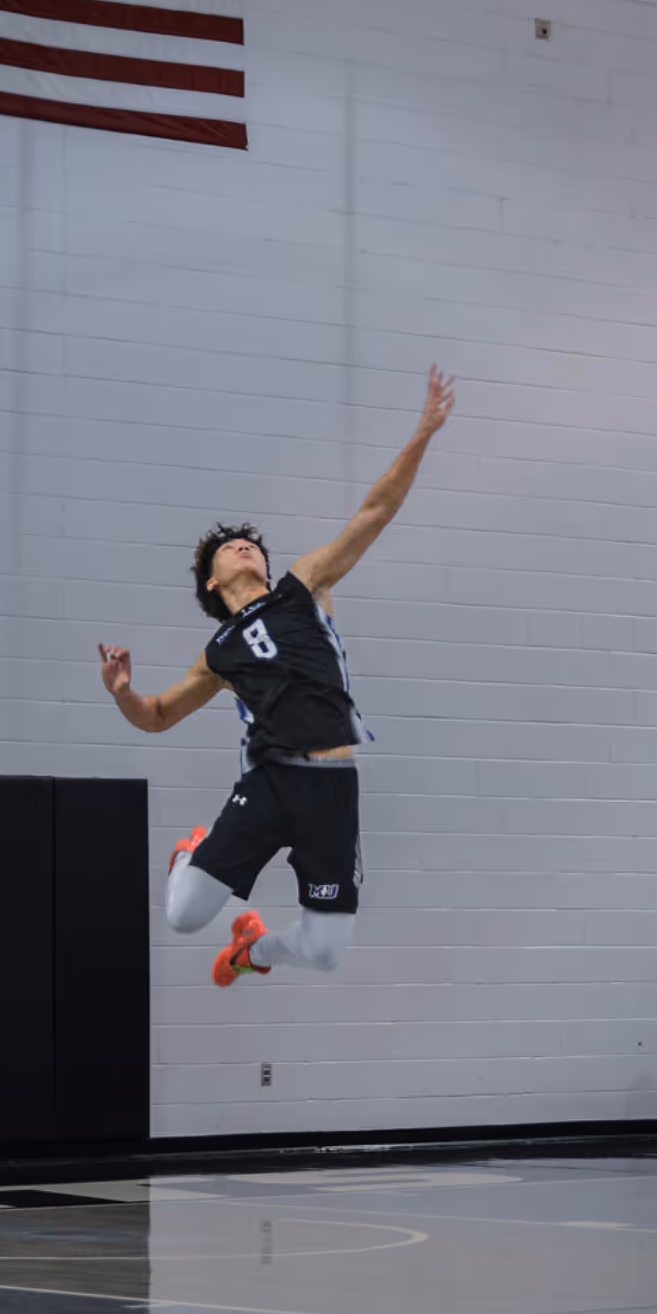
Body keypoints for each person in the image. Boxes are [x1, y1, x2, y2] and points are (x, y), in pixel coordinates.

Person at [99, 365, 455, 987]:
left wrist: (423, 431)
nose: (244, 546)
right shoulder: (218, 652)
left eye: (252, 544)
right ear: (213, 582)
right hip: (271, 781)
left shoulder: (304, 586)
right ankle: (189, 854)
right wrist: (123, 692)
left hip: (333, 786)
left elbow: (375, 511)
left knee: (325, 951)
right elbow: (156, 716)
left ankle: (251, 951)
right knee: (183, 915)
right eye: (229, 547)